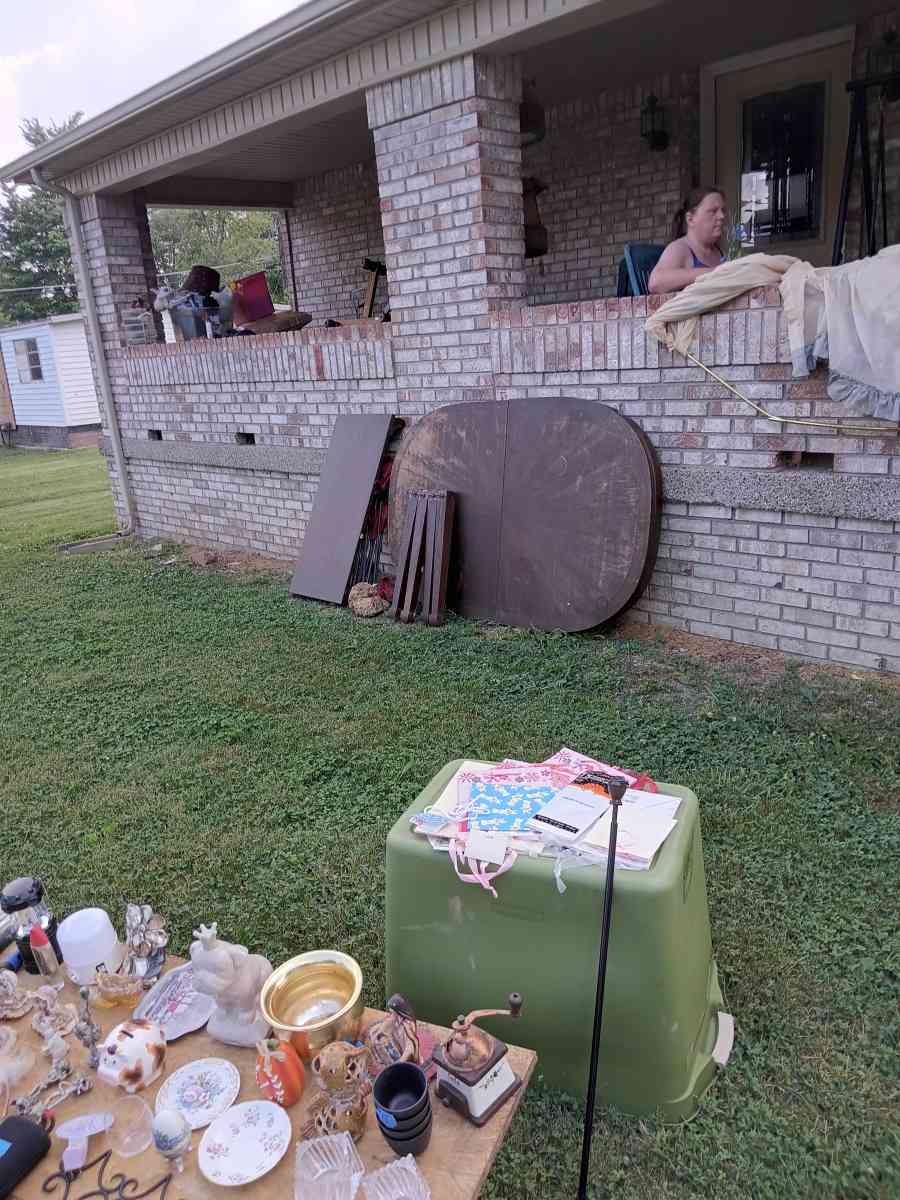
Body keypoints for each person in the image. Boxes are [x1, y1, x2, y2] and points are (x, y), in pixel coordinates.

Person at [648, 187, 727, 294]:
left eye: (723, 211)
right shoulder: (680, 248)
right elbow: (655, 283)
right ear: (690, 219)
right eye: (713, 211)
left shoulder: (719, 251)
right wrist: (713, 273)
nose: (722, 216)